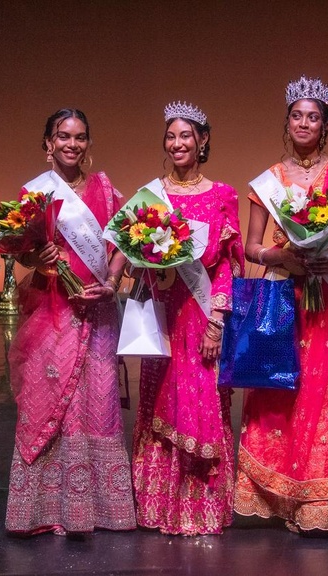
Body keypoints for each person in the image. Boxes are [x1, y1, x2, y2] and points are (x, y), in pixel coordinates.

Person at [234, 76, 328, 534]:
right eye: (297, 115)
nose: (303, 123)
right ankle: (280, 497)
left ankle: (319, 501)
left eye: (313, 117)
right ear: (287, 121)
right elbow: (251, 246)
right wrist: (282, 257)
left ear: (325, 125)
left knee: (322, 392)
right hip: (283, 297)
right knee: (282, 391)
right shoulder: (269, 180)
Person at [5, 109, 136, 535]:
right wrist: (36, 256)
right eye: (63, 136)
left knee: (97, 404)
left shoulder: (105, 190)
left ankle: (101, 510)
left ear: (88, 144)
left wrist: (112, 280)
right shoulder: (35, 194)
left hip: (97, 312)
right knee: (49, 399)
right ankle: (46, 510)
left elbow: (125, 240)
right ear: (48, 143)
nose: (71, 145)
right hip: (53, 310)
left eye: (79, 137)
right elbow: (22, 253)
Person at [131, 102, 244, 536]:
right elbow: (137, 258)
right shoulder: (151, 195)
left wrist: (217, 320)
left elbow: (227, 265)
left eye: (185, 136)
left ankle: (200, 506)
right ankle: (159, 507)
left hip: (201, 316)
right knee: (160, 401)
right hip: (164, 313)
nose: (177, 144)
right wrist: (146, 264)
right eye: (170, 136)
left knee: (202, 403)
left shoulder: (223, 194)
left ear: (202, 140)